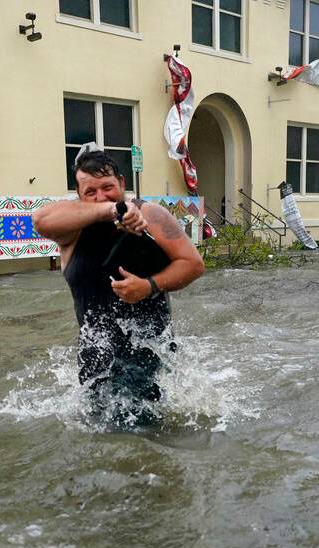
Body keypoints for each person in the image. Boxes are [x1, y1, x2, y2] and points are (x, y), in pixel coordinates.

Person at [33, 146, 205, 426]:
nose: (101, 195)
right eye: (91, 192)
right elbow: (40, 220)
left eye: (108, 187)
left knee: (146, 436)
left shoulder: (152, 216)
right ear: (79, 195)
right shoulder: (71, 231)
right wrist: (110, 210)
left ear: (122, 184)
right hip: (95, 358)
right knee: (98, 437)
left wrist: (149, 285)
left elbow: (193, 263)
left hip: (149, 350)